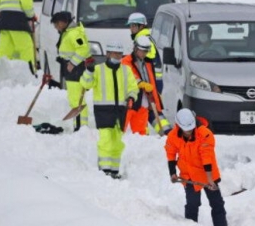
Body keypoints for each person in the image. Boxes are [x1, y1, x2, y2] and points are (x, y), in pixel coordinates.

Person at [165, 108, 230, 226]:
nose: (188, 132)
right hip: (188, 175)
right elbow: (171, 153)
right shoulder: (173, 136)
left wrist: (210, 180)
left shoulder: (205, 134)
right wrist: (172, 173)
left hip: (208, 174)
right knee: (192, 204)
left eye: (190, 129)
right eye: (186, 130)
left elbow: (207, 157)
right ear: (179, 126)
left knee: (217, 203)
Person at [79, 42, 138, 178]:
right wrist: (89, 70)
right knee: (105, 140)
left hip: (120, 111)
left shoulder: (125, 70)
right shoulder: (98, 69)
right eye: (114, 53)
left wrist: (131, 97)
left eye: (119, 54)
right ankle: (105, 170)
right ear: (107, 54)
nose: (117, 56)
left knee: (117, 141)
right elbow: (86, 84)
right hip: (103, 111)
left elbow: (133, 87)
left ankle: (114, 170)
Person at [47, 11, 91, 130]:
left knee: (77, 99)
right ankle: (78, 125)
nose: (56, 27)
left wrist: (72, 63)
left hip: (76, 69)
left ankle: (81, 126)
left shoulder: (74, 33)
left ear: (63, 22)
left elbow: (84, 49)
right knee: (74, 98)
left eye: (56, 24)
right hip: (70, 69)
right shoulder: (67, 32)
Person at [122, 36, 171, 135]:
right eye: (142, 51)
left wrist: (154, 94)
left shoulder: (148, 62)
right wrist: (140, 83)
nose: (144, 53)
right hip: (130, 100)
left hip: (144, 100)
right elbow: (129, 75)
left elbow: (151, 79)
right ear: (135, 48)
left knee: (141, 132)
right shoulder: (127, 61)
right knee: (122, 129)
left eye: (146, 51)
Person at [126, 12, 162, 90]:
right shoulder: (144, 38)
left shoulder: (143, 40)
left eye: (134, 26)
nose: (131, 29)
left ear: (141, 26)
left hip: (151, 80)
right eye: (130, 26)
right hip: (150, 79)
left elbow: (147, 61)